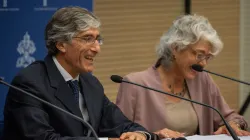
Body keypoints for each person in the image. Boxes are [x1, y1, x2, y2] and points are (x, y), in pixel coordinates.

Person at [3, 6, 159, 140]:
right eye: (87, 39)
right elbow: (42, 138)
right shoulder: (29, 83)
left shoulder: (90, 83)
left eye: (98, 39)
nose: (97, 48)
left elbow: (120, 124)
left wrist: (139, 134)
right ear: (61, 44)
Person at [116, 14, 250, 139]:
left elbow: (230, 117)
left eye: (207, 57)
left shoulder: (202, 80)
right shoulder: (134, 84)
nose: (203, 63)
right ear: (176, 48)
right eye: (199, 55)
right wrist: (153, 136)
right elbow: (118, 133)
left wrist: (233, 125)